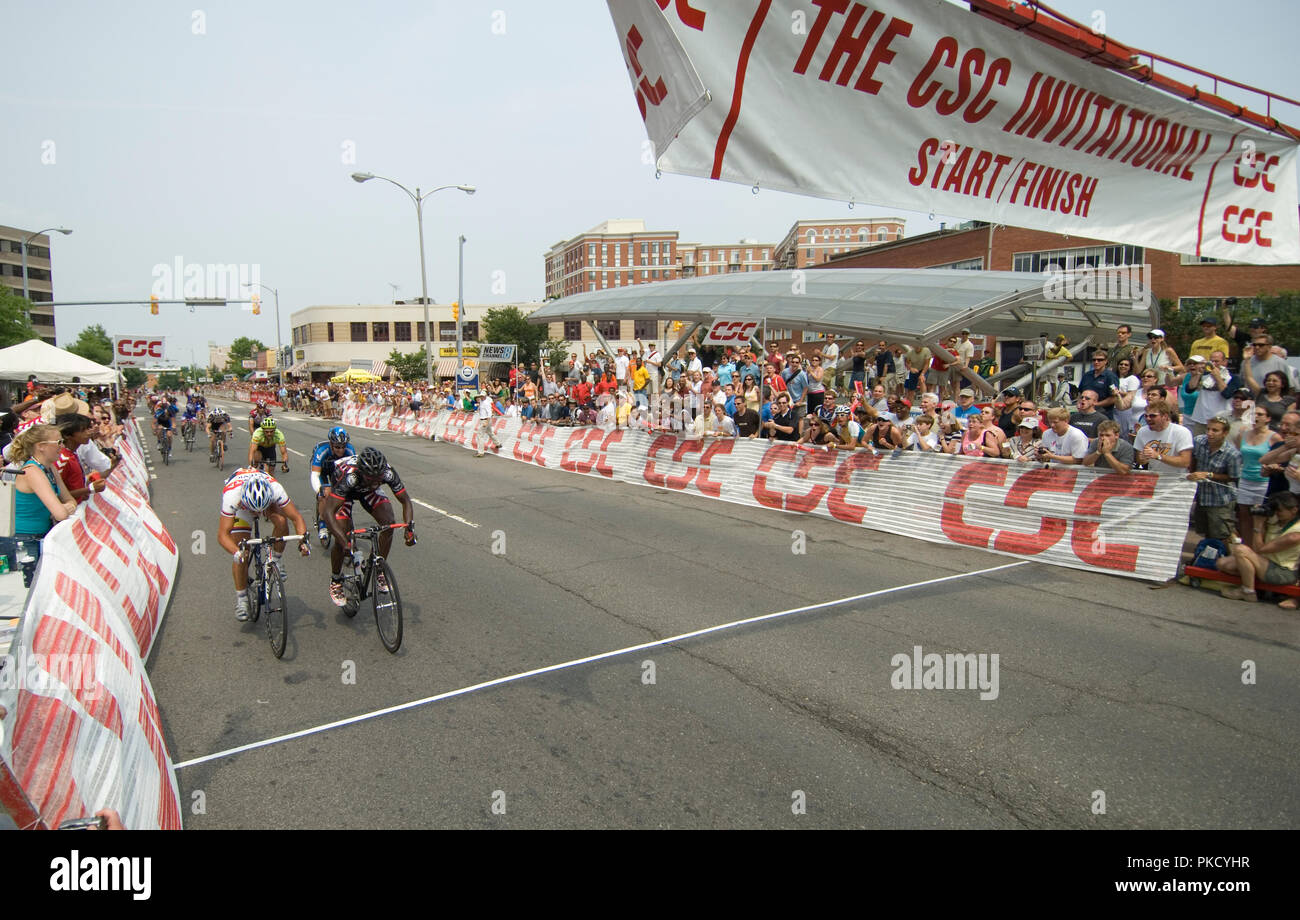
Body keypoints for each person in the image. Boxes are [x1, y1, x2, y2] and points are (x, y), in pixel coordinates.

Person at [321, 447, 416, 607]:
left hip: (366, 491)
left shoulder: (387, 472)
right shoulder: (349, 476)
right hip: (346, 492)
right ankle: (336, 580)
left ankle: (378, 569)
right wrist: (344, 542)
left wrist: (409, 529)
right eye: (371, 478)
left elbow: (405, 500)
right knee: (341, 535)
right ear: (362, 472)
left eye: (378, 478)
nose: (376, 482)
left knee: (388, 523)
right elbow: (328, 513)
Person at [216, 469, 310, 622]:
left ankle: (277, 560)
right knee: (242, 548)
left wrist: (303, 542)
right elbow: (222, 535)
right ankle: (242, 599)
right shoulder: (232, 496)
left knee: (281, 521)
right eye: (255, 510)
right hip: (242, 509)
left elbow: (296, 518)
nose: (257, 513)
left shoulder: (275, 490)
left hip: (268, 502)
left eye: (259, 511)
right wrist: (236, 553)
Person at [6, 425, 76, 587]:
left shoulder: (49, 468)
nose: (62, 446)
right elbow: (60, 512)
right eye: (58, 442)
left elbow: (69, 500)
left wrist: (65, 506)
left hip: (40, 536)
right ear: (41, 446)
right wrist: (63, 508)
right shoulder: (32, 471)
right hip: (26, 541)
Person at [1218, 491, 1300, 603]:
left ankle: (1248, 591)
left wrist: (1258, 524)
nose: (1276, 513)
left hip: (1282, 572)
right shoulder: (1277, 522)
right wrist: (1263, 519)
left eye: (1280, 510)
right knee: (1223, 563)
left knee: (1240, 550)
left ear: (1294, 510)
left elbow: (1258, 550)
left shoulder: (1294, 535)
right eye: (1275, 510)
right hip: (1266, 563)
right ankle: (1254, 585)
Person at [1187, 417, 1241, 543]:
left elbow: (1233, 476)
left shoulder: (1232, 454)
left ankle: (1227, 558)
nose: (1209, 433)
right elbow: (1193, 457)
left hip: (1220, 499)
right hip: (1202, 497)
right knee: (1206, 532)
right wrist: (1193, 472)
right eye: (1208, 429)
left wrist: (1209, 475)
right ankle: (1208, 559)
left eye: (1215, 430)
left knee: (1223, 535)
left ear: (1225, 433)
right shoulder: (1199, 441)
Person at [1233, 405, 1283, 540]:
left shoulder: (1275, 437)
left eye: (1260, 414)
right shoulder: (1243, 433)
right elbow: (1239, 452)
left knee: (1261, 518)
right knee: (1244, 516)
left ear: (1268, 418)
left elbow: (1281, 458)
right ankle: (1247, 546)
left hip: (1263, 482)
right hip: (1245, 479)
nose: (1256, 417)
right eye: (1254, 414)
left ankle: (1259, 547)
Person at [310, 427, 356, 543]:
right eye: (337, 447)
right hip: (322, 471)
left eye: (343, 446)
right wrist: (320, 491)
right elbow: (315, 474)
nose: (341, 450)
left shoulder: (350, 450)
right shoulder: (322, 451)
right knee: (324, 494)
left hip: (337, 470)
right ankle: (322, 523)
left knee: (345, 493)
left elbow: (353, 472)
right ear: (331, 444)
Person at [1134, 399, 1194, 475]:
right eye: (1146, 416)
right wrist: (1142, 459)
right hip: (1153, 476)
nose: (1148, 419)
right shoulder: (1142, 432)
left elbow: (1185, 462)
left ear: (1165, 416)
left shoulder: (1182, 432)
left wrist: (1158, 456)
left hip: (1177, 479)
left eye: (1153, 416)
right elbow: (1139, 460)